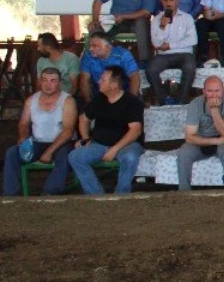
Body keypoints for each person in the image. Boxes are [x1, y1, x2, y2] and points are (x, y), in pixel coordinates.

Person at [68, 66, 145, 195]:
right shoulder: (100, 99)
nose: (98, 81)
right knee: (75, 157)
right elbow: (84, 118)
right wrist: (85, 138)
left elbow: (135, 131)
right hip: (100, 144)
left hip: (127, 145)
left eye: (103, 80)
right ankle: (96, 195)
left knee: (130, 157)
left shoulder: (131, 102)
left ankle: (121, 194)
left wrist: (114, 149)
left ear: (114, 85)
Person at [3, 68, 77, 196]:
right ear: (40, 82)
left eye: (53, 81)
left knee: (64, 156)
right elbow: (23, 123)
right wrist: (24, 137)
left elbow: (68, 131)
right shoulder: (31, 100)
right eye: (44, 80)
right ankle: (10, 194)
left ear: (59, 83)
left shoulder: (68, 101)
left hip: (61, 143)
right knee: (12, 153)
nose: (48, 84)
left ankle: (50, 192)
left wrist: (49, 152)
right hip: (37, 142)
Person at [177, 76, 224, 191]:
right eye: (210, 91)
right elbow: (189, 137)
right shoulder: (195, 104)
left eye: (217, 91)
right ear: (203, 91)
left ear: (223, 90)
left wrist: (214, 109)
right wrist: (215, 141)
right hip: (202, 140)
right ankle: (183, 192)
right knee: (183, 153)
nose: (214, 95)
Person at [146, 0, 198, 104]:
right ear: (161, 1)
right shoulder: (157, 20)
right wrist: (162, 27)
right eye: (165, 0)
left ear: (177, 1)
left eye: (171, 0)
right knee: (150, 70)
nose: (168, 3)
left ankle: (181, 101)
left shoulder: (187, 18)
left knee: (190, 68)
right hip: (164, 55)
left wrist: (170, 45)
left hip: (184, 54)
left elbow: (193, 40)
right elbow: (156, 43)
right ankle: (164, 100)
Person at [78, 32, 140, 105]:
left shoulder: (122, 55)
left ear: (107, 47)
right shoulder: (88, 56)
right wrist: (89, 105)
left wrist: (130, 101)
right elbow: (84, 81)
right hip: (99, 92)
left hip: (122, 91)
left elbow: (135, 78)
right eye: (90, 45)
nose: (91, 49)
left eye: (94, 46)